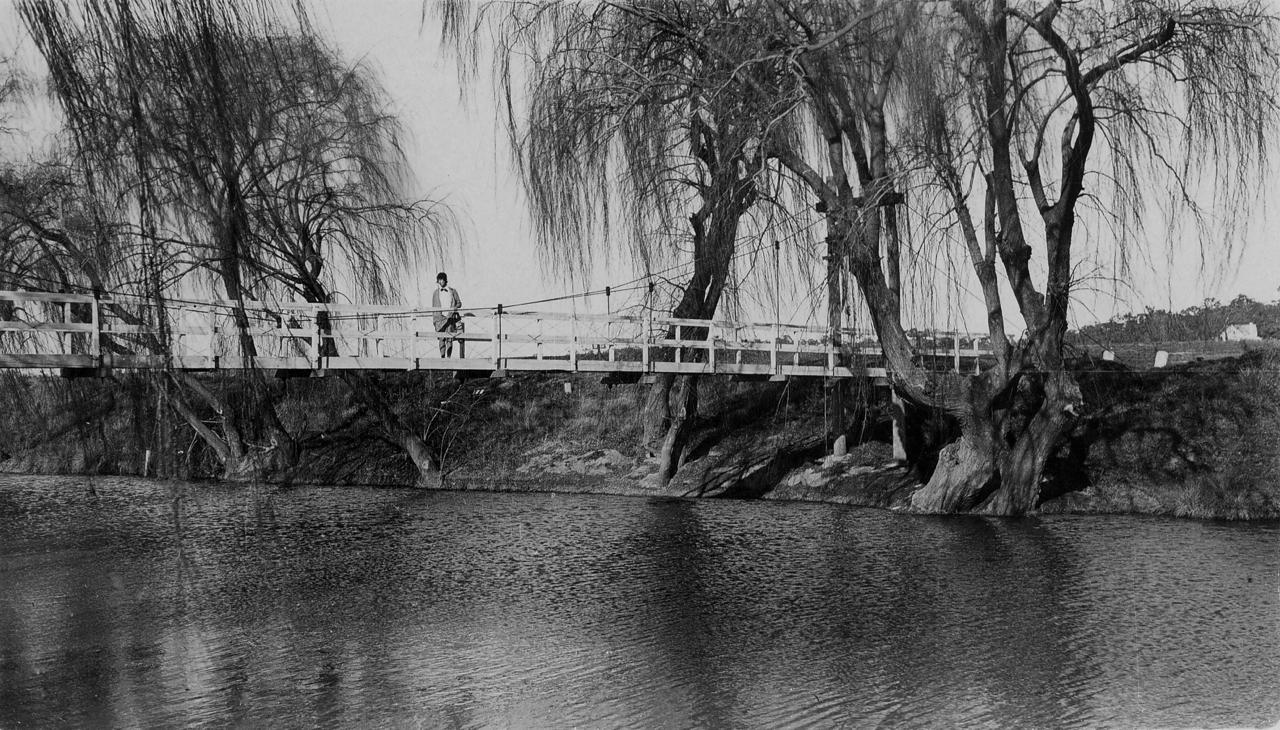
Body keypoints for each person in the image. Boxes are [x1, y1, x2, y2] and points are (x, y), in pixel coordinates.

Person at [432, 272, 462, 357]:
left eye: (441, 280)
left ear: (445, 280)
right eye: (438, 280)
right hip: (439, 318)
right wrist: (434, 320)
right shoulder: (435, 293)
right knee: (441, 338)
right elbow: (433, 307)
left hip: (450, 317)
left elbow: (459, 303)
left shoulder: (452, 291)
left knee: (449, 338)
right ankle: (442, 357)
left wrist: (454, 308)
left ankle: (448, 357)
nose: (440, 282)